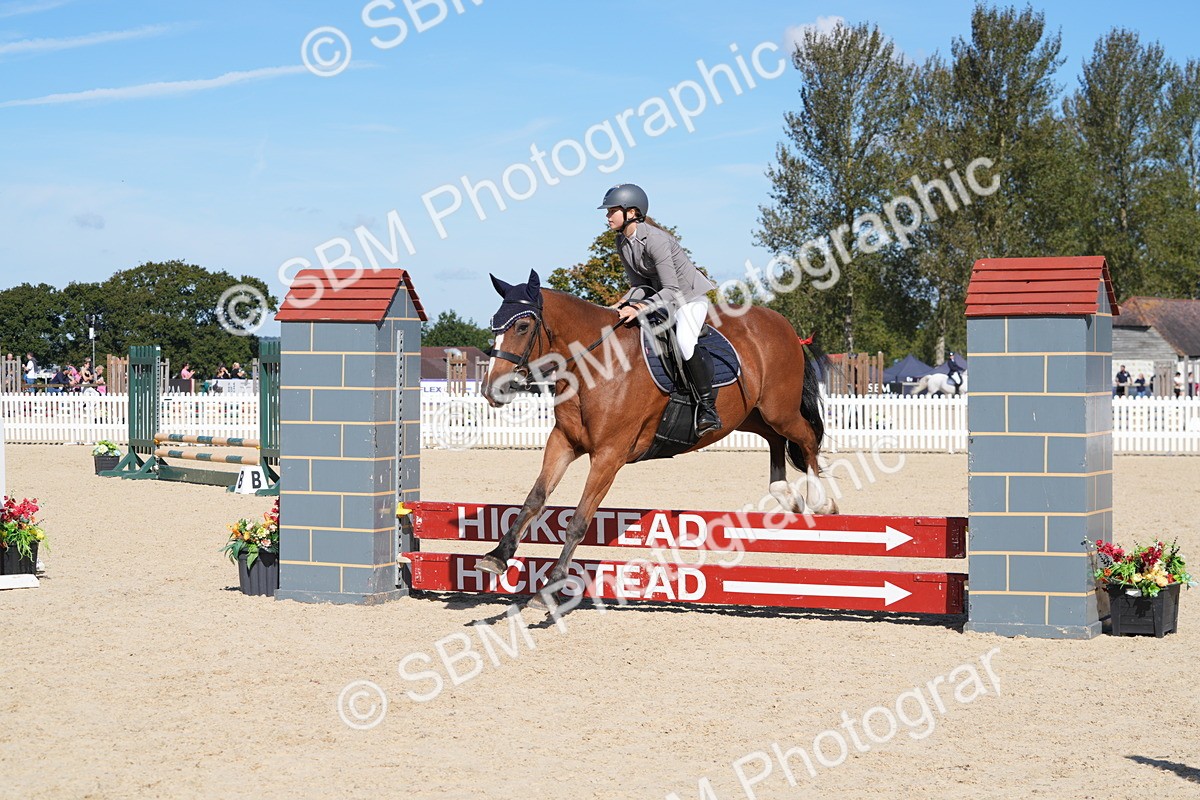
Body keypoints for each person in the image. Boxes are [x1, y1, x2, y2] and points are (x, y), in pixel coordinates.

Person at [600, 183, 721, 436]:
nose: (607, 216)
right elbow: (639, 285)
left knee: (685, 342)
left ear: (631, 212)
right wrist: (621, 303)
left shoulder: (655, 240)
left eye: (612, 211)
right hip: (662, 298)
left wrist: (640, 307)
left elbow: (672, 289)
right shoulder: (621, 242)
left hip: (688, 298)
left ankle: (708, 408)